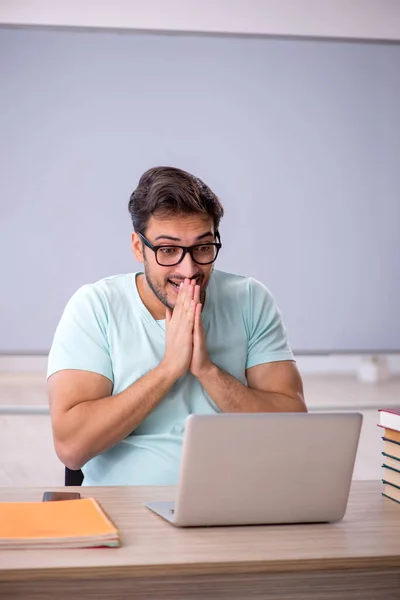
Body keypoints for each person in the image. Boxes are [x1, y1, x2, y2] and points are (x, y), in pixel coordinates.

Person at [47, 166, 307, 486]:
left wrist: (207, 371)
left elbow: (294, 429)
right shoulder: (95, 307)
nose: (189, 269)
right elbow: (72, 447)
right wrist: (169, 368)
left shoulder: (251, 299)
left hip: (241, 501)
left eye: (202, 247)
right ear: (138, 247)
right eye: (168, 250)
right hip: (128, 511)